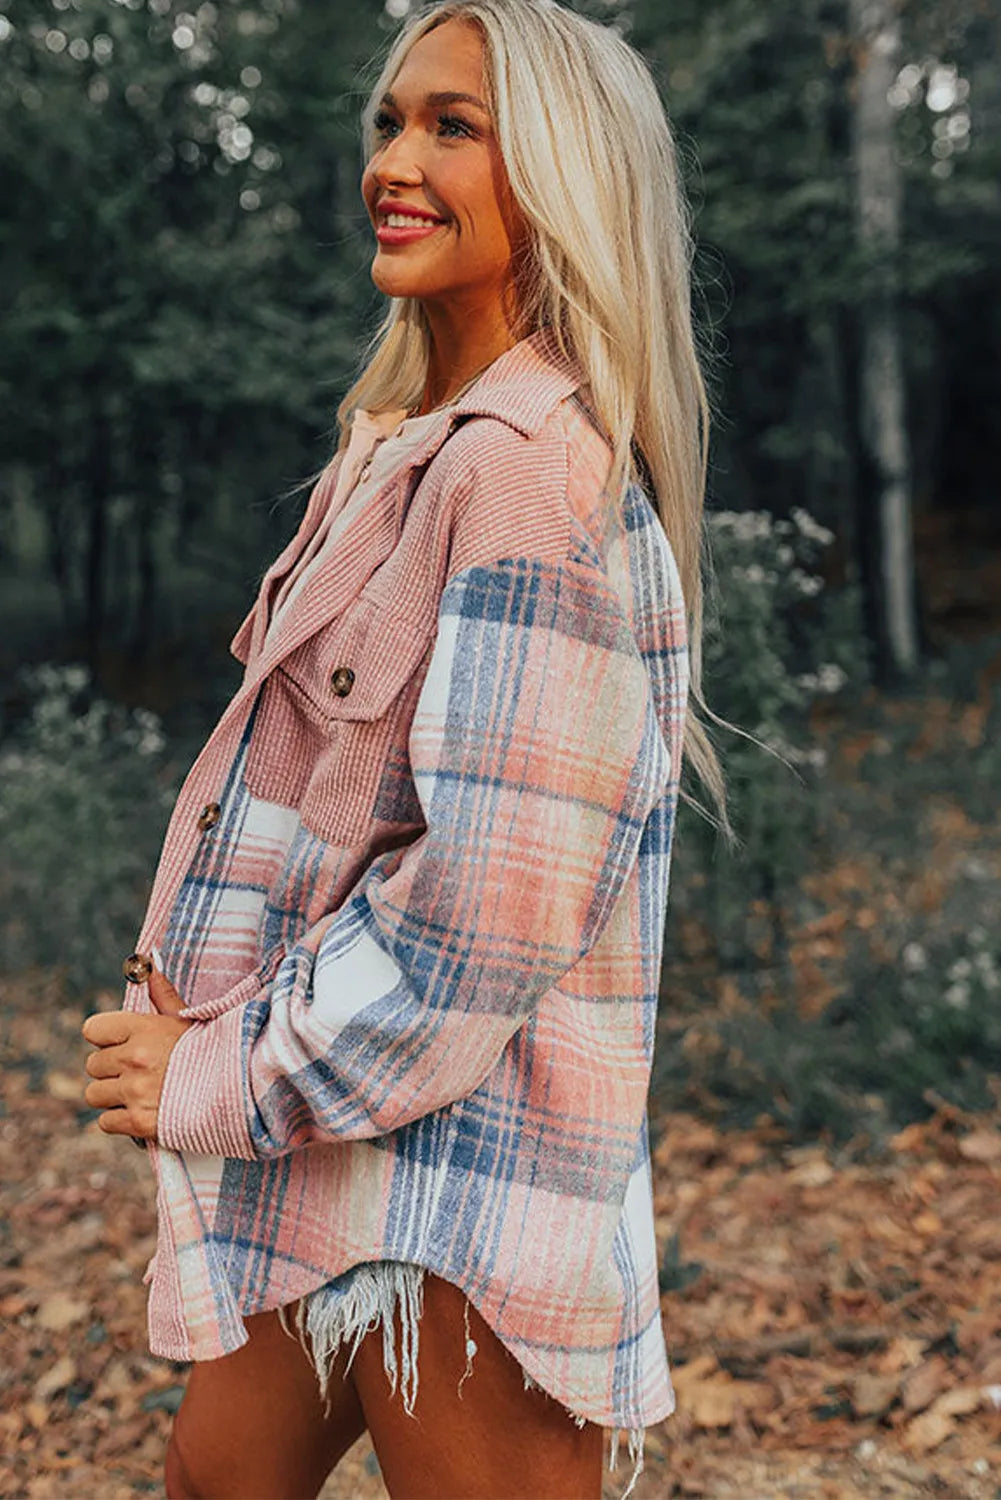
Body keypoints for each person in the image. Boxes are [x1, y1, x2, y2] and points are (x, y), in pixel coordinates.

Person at [81, 1, 729, 1495]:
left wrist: (216, 1070)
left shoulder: (520, 481)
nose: (394, 157)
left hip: (455, 1156)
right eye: (390, 119)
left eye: (454, 126)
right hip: (326, 1135)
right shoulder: (397, 443)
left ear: (560, 174)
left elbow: (479, 931)